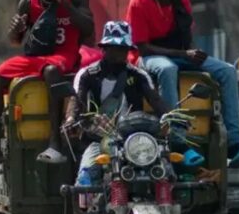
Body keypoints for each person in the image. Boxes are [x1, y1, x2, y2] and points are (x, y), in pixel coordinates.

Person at [125, 0, 239, 165]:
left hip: (178, 54)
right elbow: (142, 47)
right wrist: (182, 55)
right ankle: (178, 140)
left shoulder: (183, 1)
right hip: (148, 57)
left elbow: (186, 38)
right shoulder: (140, 2)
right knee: (167, 69)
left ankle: (234, 144)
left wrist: (193, 53)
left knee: (227, 70)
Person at [0, 0, 94, 174]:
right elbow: (14, 40)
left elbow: (88, 28)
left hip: (64, 54)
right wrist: (16, 29)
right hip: (36, 57)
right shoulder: (29, 1)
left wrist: (63, 3)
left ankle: (55, 144)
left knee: (51, 71)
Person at [66, 21, 170, 185]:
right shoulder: (87, 75)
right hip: (98, 139)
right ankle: (87, 210)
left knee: (166, 171)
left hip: (136, 140)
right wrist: (71, 119)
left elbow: (155, 99)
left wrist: (170, 117)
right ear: (104, 48)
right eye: (115, 48)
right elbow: (77, 99)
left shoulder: (138, 75)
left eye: (124, 49)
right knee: (84, 180)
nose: (121, 53)